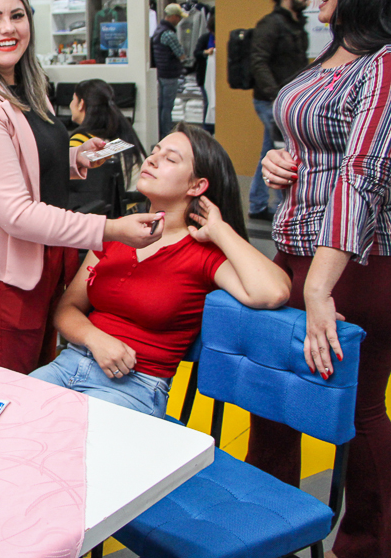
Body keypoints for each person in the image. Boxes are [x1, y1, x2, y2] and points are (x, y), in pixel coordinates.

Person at [254, 0, 391, 558]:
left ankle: (370, 543)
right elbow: (316, 146)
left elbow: (367, 176)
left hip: (358, 264)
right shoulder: (334, 50)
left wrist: (319, 288)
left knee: (357, 410)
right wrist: (278, 164)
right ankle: (264, 523)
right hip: (299, 250)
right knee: (274, 394)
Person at [0, 0, 165, 375]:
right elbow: (17, 215)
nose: (9, 28)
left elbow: (21, 160)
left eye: (17, 15)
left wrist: (73, 161)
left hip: (43, 264)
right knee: (13, 396)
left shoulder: (23, 83)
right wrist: (111, 230)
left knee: (40, 381)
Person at [31, 123, 290, 417]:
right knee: (6, 423)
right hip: (67, 366)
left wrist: (219, 230)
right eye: (155, 152)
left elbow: (273, 292)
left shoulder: (203, 254)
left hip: (133, 387)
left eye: (170, 158)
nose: (152, 159)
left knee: (64, 440)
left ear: (196, 186)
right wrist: (95, 338)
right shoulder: (120, 231)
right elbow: (67, 309)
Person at [248, 0, 310, 221]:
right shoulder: (271, 24)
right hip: (272, 101)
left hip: (288, 100)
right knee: (284, 152)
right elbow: (258, 61)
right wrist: (277, 96)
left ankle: (257, 203)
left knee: (270, 151)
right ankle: (281, 206)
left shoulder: (296, 23)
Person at [67, 79, 146, 183]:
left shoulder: (82, 141)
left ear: (81, 104)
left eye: (73, 100)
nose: (70, 105)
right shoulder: (122, 131)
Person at [152, 3, 188, 140]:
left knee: (161, 106)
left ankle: (161, 132)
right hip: (170, 74)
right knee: (168, 106)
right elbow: (180, 54)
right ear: (173, 17)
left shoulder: (158, 30)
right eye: (178, 17)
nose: (179, 20)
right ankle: (167, 134)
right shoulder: (169, 33)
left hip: (160, 73)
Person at [193, 13, 216, 133]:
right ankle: (208, 130)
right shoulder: (205, 39)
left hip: (219, 78)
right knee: (208, 102)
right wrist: (205, 53)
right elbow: (196, 53)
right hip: (204, 77)